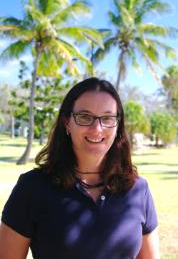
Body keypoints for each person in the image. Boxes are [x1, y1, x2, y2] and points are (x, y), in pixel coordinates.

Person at [0, 77, 159, 259]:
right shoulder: (32, 187)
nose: (97, 128)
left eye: (107, 118)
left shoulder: (138, 189)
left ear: (117, 126)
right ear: (67, 122)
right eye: (85, 117)